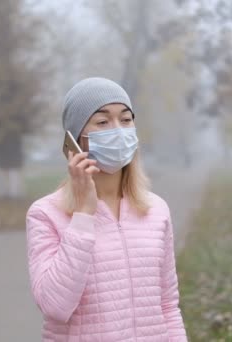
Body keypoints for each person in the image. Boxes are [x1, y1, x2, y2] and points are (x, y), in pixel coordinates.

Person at [26, 77, 187, 341]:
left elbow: (168, 306)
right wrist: (83, 215)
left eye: (126, 119)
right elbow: (55, 307)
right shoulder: (45, 214)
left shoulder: (156, 210)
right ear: (75, 139)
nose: (119, 130)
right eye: (102, 121)